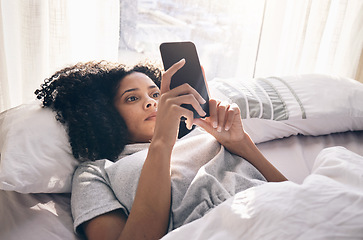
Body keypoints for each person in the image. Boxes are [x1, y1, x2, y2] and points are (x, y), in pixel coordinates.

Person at [35, 59, 287, 240]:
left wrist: (239, 142)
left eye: (156, 94)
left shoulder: (207, 135)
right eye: (132, 98)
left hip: (278, 213)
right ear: (106, 115)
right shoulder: (96, 172)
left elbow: (289, 191)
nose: (151, 102)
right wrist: (162, 144)